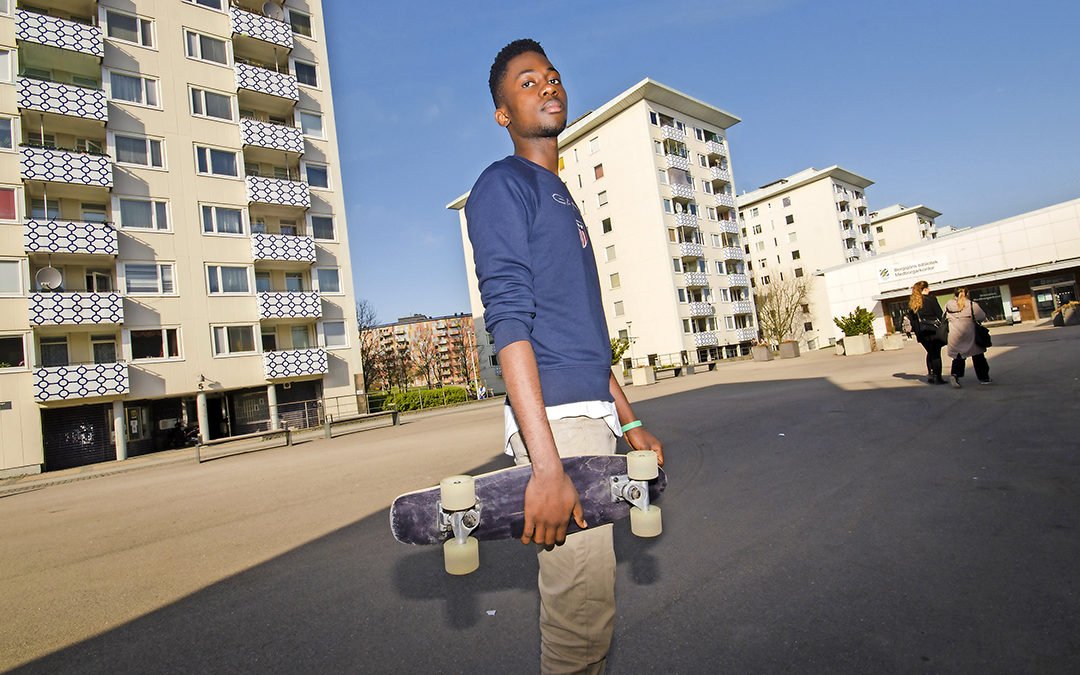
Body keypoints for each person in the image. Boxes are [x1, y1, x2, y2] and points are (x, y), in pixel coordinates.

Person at [465, 39, 664, 674]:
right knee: (578, 623)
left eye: (551, 76)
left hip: (591, 420)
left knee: (591, 612)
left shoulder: (563, 195)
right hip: (558, 426)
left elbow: (585, 340)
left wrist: (629, 424)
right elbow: (509, 325)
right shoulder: (502, 185)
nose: (547, 85)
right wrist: (545, 465)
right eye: (527, 83)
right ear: (503, 114)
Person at [944, 287, 992, 387]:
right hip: (970, 334)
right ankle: (984, 378)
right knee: (978, 356)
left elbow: (942, 317)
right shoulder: (971, 305)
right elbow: (981, 316)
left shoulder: (948, 305)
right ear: (967, 293)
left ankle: (955, 375)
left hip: (955, 335)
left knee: (958, 357)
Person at [906, 280, 946, 384]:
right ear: (924, 289)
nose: (930, 290)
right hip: (932, 330)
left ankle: (931, 375)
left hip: (921, 333)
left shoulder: (913, 303)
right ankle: (938, 377)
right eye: (928, 288)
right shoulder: (931, 299)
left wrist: (917, 332)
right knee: (936, 354)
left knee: (930, 352)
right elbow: (939, 314)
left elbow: (912, 320)